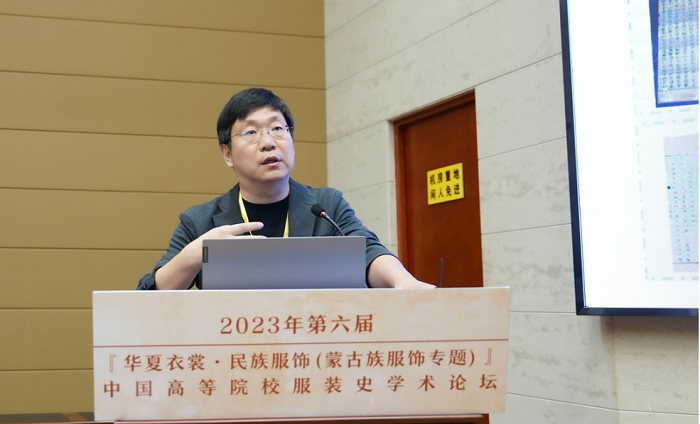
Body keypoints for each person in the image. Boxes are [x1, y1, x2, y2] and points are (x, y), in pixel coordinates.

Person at [137, 88, 433, 291]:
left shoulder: (326, 205)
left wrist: (403, 281)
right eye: (251, 132)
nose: (268, 142)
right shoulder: (200, 221)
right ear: (227, 154)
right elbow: (151, 295)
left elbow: (367, 252)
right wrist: (198, 252)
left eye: (278, 129)